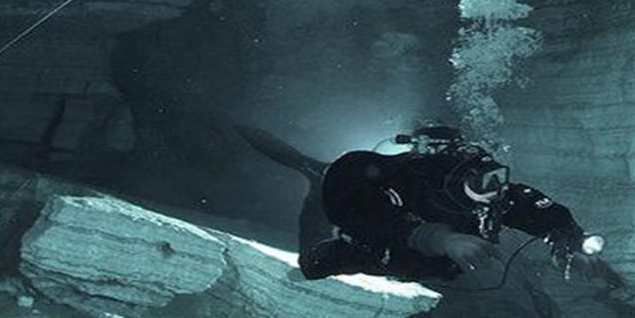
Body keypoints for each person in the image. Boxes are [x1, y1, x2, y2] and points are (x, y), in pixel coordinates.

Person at [238, 124, 600, 282]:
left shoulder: (490, 192)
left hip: (428, 265)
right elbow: (357, 210)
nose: (491, 191)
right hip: (377, 249)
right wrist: (437, 238)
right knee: (313, 267)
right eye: (480, 182)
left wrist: (565, 236)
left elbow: (527, 203)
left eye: (492, 180)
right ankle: (305, 171)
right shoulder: (395, 175)